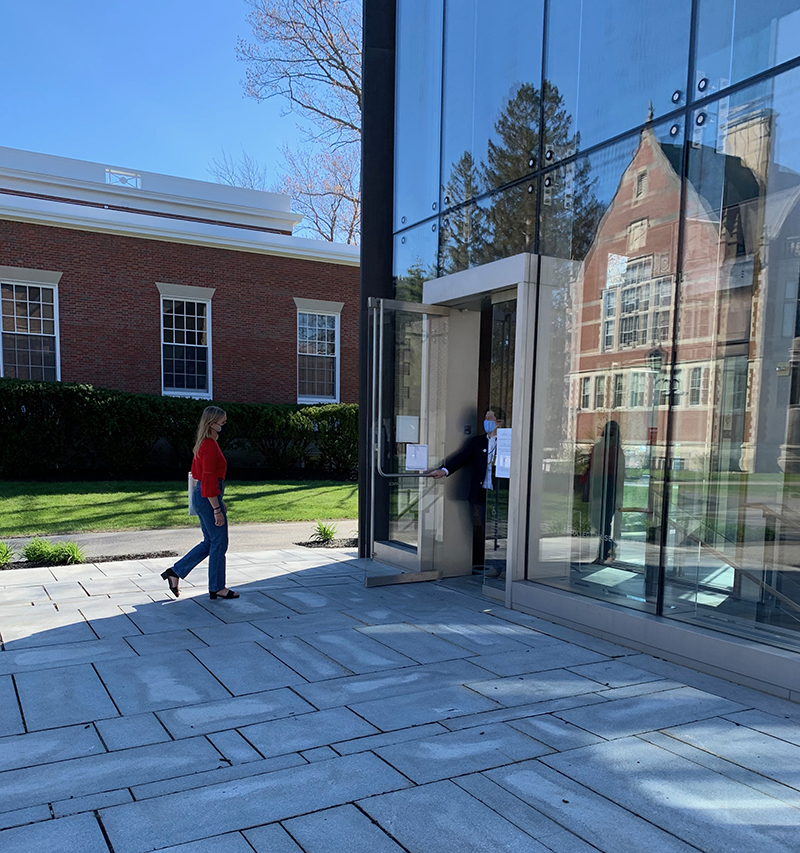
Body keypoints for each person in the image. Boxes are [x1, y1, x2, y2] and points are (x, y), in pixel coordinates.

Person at [161, 406, 239, 600]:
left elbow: (199, 478)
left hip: (204, 496)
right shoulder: (210, 447)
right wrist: (216, 509)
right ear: (212, 424)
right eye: (222, 423)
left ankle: (175, 572)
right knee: (219, 542)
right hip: (208, 496)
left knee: (210, 542)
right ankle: (217, 587)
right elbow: (209, 479)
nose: (224, 425)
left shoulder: (203, 444)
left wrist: (218, 502)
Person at [429, 409, 502, 571]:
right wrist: (444, 470)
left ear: (499, 422)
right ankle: (494, 567)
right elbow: (461, 457)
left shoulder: (507, 442)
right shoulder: (477, 442)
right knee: (487, 528)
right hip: (483, 492)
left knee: (502, 530)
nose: (486, 420)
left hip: (502, 494)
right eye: (485, 417)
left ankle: (507, 567)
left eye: (490, 417)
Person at [584, 419, 626, 563]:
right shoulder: (598, 448)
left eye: (614, 432)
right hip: (597, 486)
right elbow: (591, 468)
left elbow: (620, 474)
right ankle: (609, 545)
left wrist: (618, 494)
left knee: (605, 522)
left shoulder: (617, 451)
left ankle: (603, 553)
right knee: (596, 520)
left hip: (610, 489)